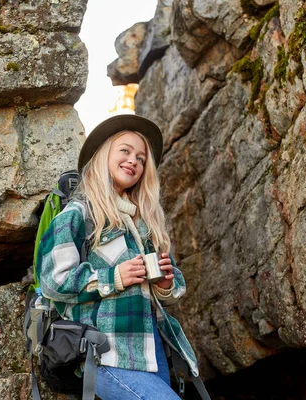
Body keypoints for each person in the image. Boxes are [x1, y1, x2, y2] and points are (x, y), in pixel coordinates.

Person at [38, 114, 201, 399]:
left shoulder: (145, 223)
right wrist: (113, 277)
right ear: (104, 156)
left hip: (151, 351)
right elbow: (53, 280)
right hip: (104, 353)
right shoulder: (79, 214)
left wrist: (165, 284)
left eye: (141, 158)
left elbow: (174, 284)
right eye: (125, 151)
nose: (133, 161)